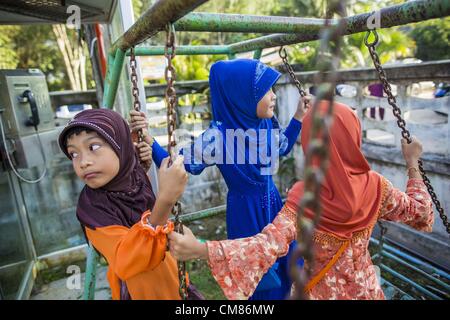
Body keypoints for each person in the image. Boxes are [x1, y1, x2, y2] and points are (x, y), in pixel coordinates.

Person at [168, 101, 433, 300]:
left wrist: (201, 249)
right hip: (366, 291)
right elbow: (420, 211)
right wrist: (412, 162)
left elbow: (265, 246)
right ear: (353, 138)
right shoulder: (376, 185)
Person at [130, 59, 311, 299]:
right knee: (256, 271)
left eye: (273, 89)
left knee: (287, 264)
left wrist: (299, 116)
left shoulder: (266, 125)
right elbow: (179, 166)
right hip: (245, 213)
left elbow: (283, 147)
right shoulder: (219, 137)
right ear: (242, 97)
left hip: (273, 203)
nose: (274, 96)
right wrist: (151, 142)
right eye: (266, 91)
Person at [58, 108, 189, 300]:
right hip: (138, 291)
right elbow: (128, 259)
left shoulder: (133, 176)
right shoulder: (91, 210)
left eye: (93, 147)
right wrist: (165, 200)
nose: (83, 162)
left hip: (172, 276)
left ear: (122, 147)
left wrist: (139, 132)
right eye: (73, 154)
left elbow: (132, 151)